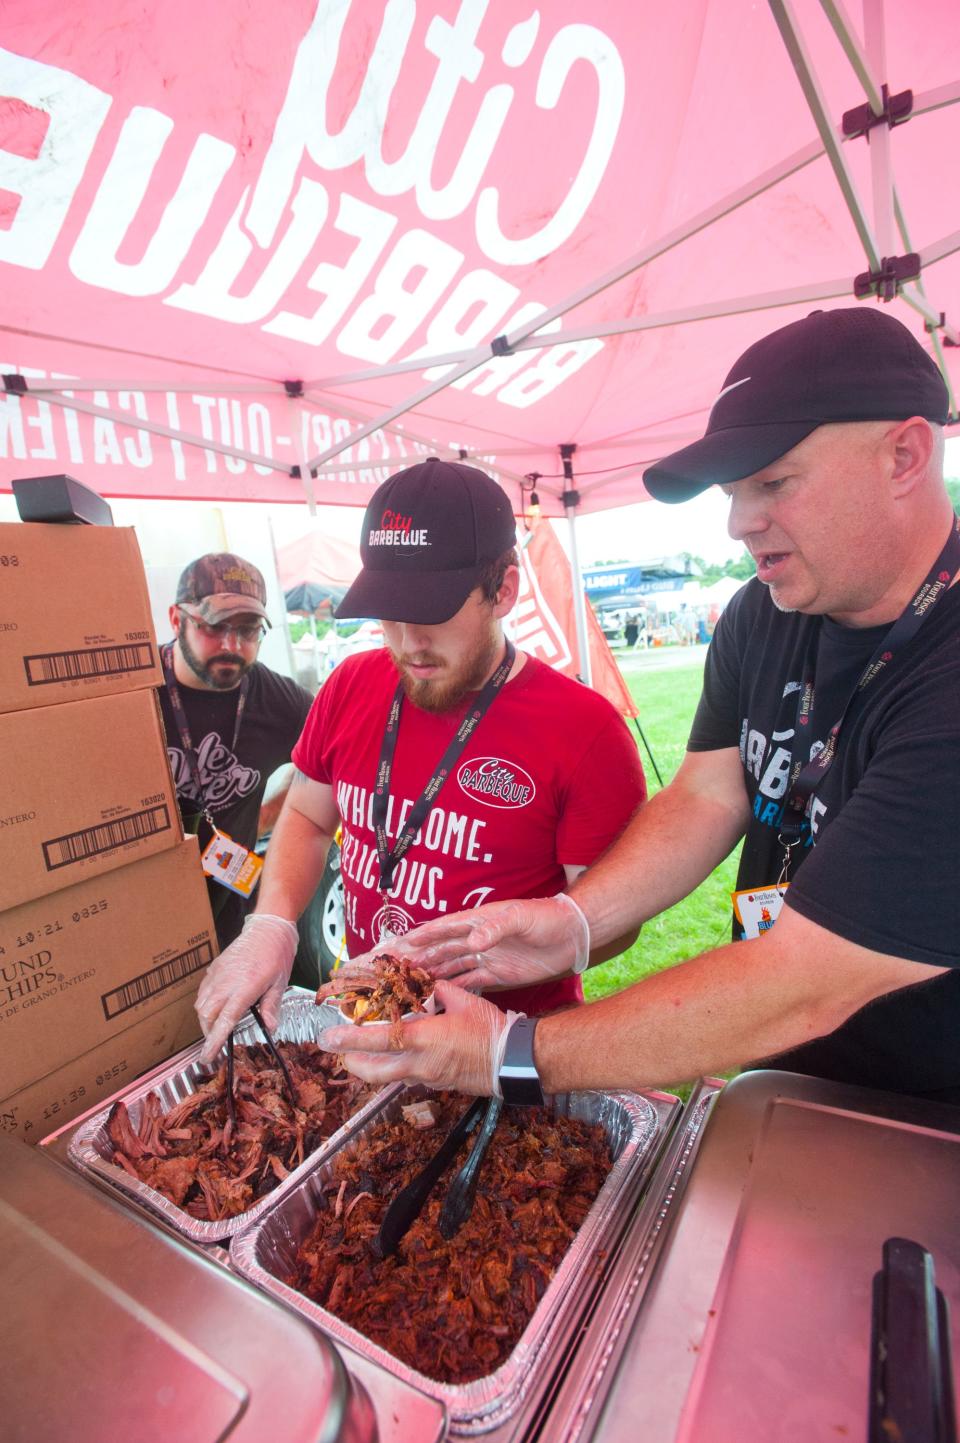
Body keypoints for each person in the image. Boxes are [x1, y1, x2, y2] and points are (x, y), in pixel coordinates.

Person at [314, 306, 960, 1109]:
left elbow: (805, 979)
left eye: (773, 482)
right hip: (787, 1082)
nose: (737, 523)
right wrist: (575, 920)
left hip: (928, 1112)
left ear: (904, 453)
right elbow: (708, 794)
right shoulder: (764, 613)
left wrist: (511, 1050)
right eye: (732, 492)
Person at [193, 457, 647, 1063]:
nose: (408, 643)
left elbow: (611, 921)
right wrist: (272, 924)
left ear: (503, 591)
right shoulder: (351, 684)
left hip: (507, 1046)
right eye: (389, 611)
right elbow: (305, 815)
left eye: (432, 612)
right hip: (371, 1023)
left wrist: (479, 967)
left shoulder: (585, 731)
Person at [159, 553, 313, 949]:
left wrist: (274, 813)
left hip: (229, 919)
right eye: (215, 627)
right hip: (143, 914)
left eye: (247, 630)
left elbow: (329, 763)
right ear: (177, 619)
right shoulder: (135, 691)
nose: (232, 645)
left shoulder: (281, 703)